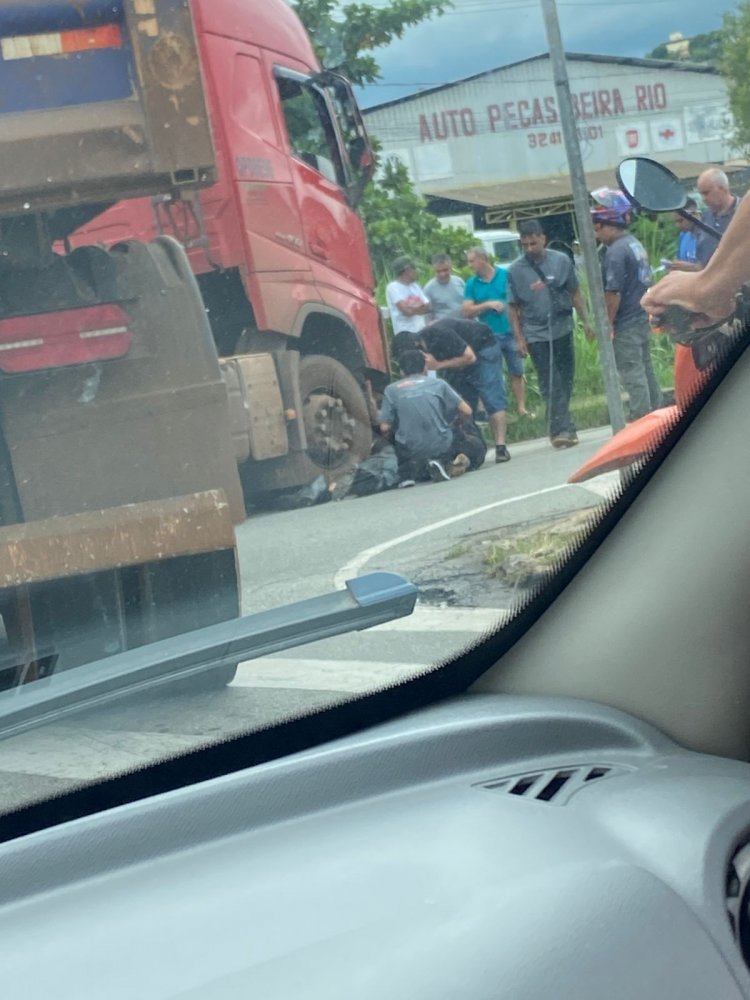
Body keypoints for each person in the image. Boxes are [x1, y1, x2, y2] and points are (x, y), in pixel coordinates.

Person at [507, 220, 594, 449]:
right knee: (550, 381)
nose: (529, 249)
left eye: (533, 243)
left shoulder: (561, 261)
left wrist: (586, 321)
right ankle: (562, 429)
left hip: (562, 327)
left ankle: (560, 425)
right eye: (524, 245)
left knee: (565, 379)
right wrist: (519, 338)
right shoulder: (515, 271)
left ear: (543, 239)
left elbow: (575, 293)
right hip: (536, 334)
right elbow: (513, 308)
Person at [398, 317, 512, 464]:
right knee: (458, 401)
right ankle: (472, 443)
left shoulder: (439, 334)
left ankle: (500, 446)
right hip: (456, 359)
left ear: (418, 345)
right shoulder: (423, 348)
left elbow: (470, 357)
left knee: (492, 396)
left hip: (482, 347)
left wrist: (438, 365)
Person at [591, 188, 662, 421]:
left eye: (597, 225)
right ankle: (657, 411)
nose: (596, 232)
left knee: (632, 371)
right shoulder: (633, 244)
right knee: (645, 367)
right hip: (641, 315)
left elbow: (613, 293)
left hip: (626, 321)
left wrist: (608, 324)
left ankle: (642, 416)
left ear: (607, 223)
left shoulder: (615, 252)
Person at [641, 184, 750, 326]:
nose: (704, 199)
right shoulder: (686, 236)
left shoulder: (708, 231)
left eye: (706, 192)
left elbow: (713, 268)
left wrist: (707, 285)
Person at [378, 349, 477, 484]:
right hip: (441, 443)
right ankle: (444, 461)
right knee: (455, 432)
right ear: (425, 367)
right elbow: (467, 411)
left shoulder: (391, 390)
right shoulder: (438, 384)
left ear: (401, 371)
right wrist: (456, 422)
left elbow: (384, 428)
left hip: (411, 449)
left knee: (394, 432)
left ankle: (405, 475)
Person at [463, 246, 530, 418]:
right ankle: (499, 410)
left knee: (517, 370)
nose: (470, 265)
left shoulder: (505, 275)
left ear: (483, 259)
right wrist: (487, 305)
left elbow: (519, 300)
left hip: (511, 330)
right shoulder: (471, 284)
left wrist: (521, 329)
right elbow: (467, 310)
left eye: (472, 261)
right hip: (489, 336)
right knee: (492, 374)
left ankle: (522, 408)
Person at [694, 168, 741, 268]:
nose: (703, 199)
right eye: (701, 194)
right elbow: (701, 256)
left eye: (706, 193)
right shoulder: (706, 218)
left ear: (723, 188)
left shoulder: (742, 212)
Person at [385, 256, 431, 334]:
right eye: (414, 268)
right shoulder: (393, 287)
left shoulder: (415, 286)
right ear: (407, 270)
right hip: (405, 334)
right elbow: (406, 311)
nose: (416, 271)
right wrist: (419, 306)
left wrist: (411, 307)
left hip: (422, 331)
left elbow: (428, 307)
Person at [424, 253, 465, 321]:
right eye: (438, 271)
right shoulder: (429, 288)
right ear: (434, 270)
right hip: (442, 327)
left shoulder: (459, 281)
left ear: (451, 268)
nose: (442, 274)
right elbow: (426, 314)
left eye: (445, 270)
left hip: (463, 323)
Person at [668, 198, 700, 272]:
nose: (677, 225)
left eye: (681, 221)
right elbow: (678, 258)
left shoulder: (708, 238)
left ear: (694, 215)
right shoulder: (683, 236)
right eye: (675, 222)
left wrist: (689, 267)